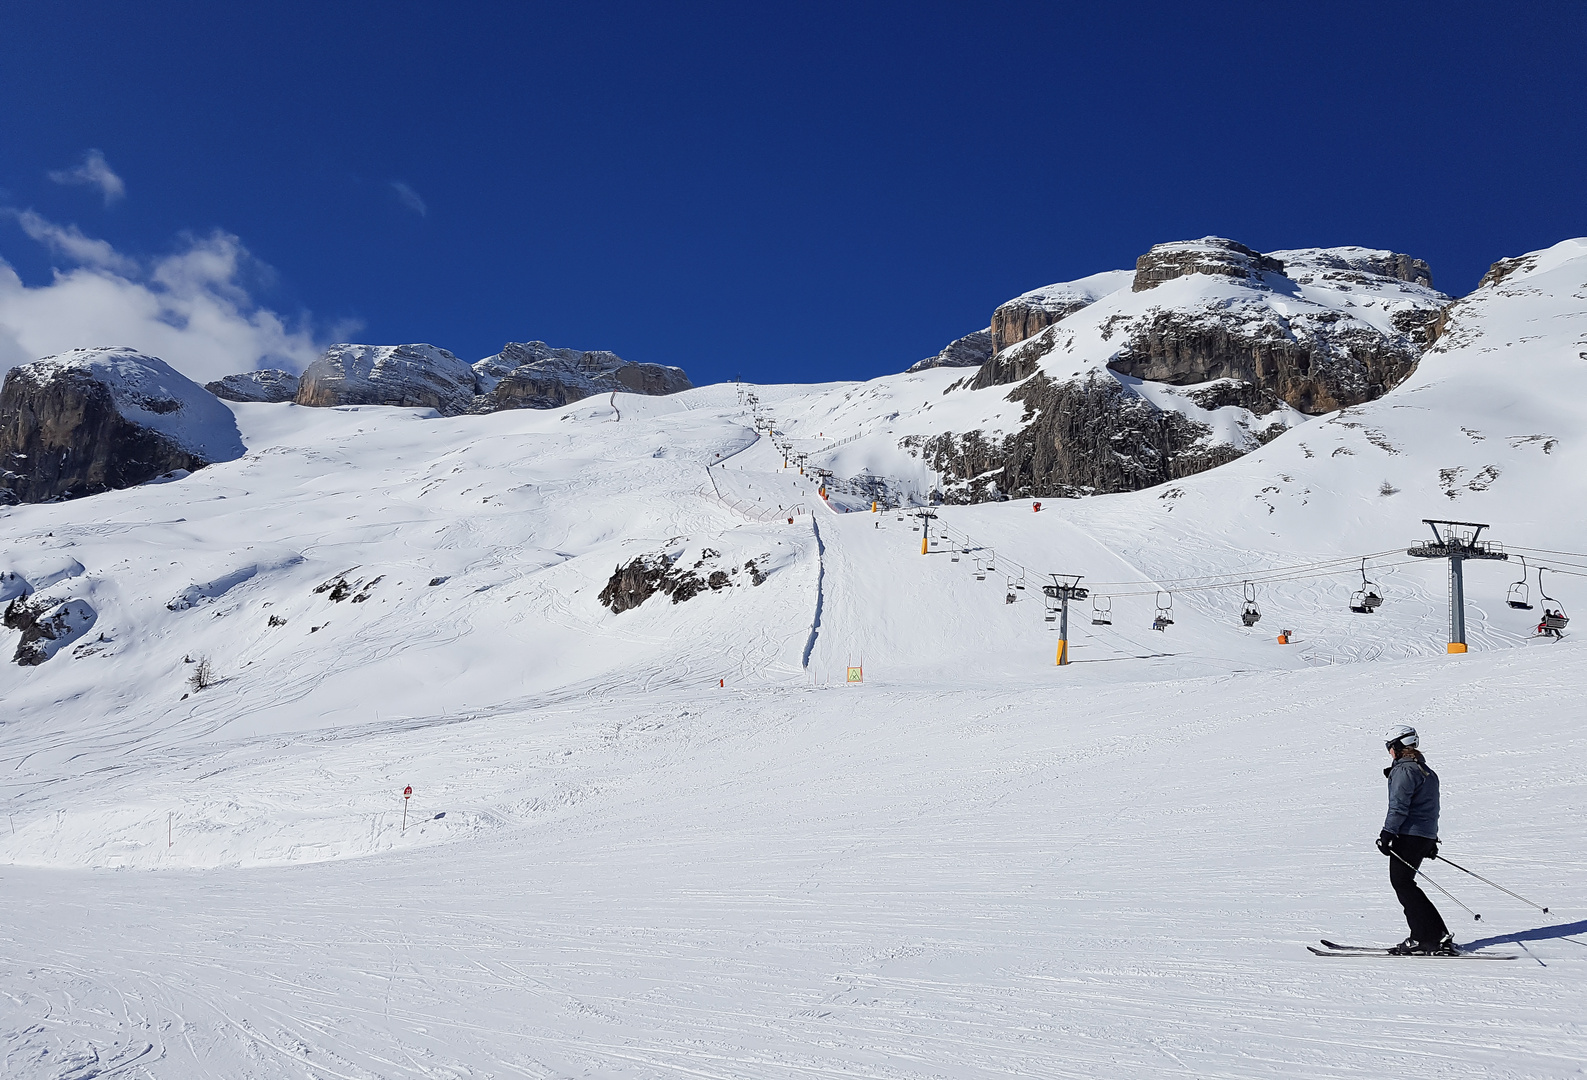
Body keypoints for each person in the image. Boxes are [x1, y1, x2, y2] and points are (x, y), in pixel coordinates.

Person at [1377, 725, 1455, 955]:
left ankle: (1425, 938)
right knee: (1406, 884)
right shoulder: (1425, 771)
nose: (1389, 751)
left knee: (1402, 883)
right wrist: (1430, 839)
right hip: (1423, 835)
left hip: (1408, 834)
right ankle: (1435, 936)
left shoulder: (1405, 771)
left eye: (1389, 746)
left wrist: (1387, 834)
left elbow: (1399, 806)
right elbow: (1432, 808)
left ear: (1398, 746)